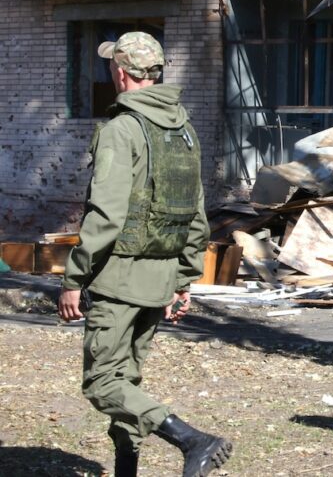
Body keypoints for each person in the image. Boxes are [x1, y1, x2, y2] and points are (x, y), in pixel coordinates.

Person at [57, 31, 232, 477]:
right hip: (159, 279)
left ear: (119, 72)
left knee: (102, 383)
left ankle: (193, 440)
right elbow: (196, 213)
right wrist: (183, 279)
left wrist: (74, 278)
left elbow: (106, 215)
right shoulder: (183, 130)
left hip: (118, 279)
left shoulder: (121, 129)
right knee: (126, 382)